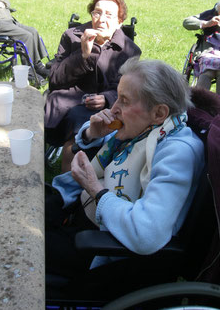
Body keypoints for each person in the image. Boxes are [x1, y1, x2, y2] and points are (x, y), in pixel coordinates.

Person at [45, 58, 204, 289]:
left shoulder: (176, 153)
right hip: (79, 216)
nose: (113, 109)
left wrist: (96, 190)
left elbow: (146, 232)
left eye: (124, 101)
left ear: (159, 112)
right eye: (117, 97)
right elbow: (104, 149)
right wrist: (92, 134)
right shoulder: (146, 131)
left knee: (24, 243)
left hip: (105, 251)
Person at [44, 0, 141, 172]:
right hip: (66, 99)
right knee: (64, 123)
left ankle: (72, 185)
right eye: (97, 12)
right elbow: (55, 80)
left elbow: (127, 88)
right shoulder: (72, 36)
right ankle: (66, 184)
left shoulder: (130, 50)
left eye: (109, 15)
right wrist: (83, 55)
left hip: (103, 107)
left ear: (119, 22)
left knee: (80, 129)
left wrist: (106, 98)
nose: (101, 19)